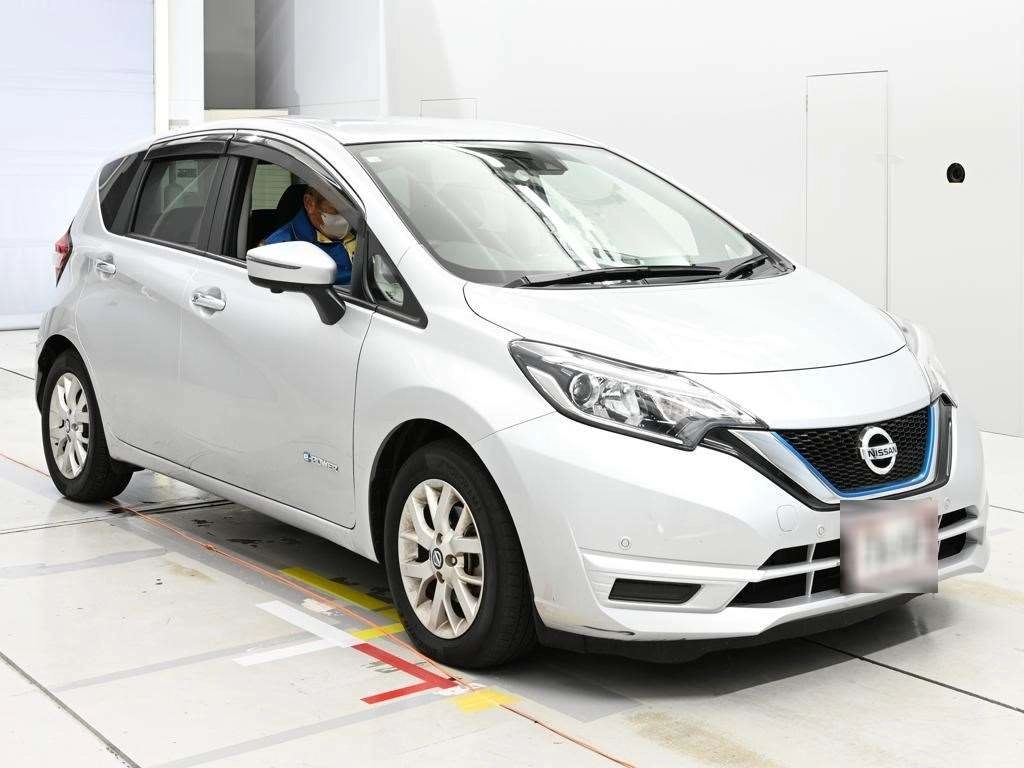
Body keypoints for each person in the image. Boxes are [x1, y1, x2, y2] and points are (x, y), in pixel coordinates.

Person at [263, 186, 357, 284]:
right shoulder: (280, 248)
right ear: (309, 204)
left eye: (350, 212)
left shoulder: (361, 228)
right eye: (337, 211)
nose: (346, 219)